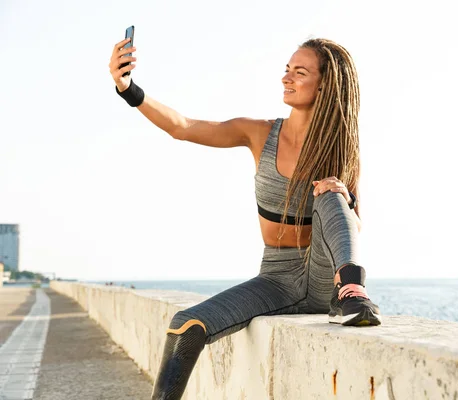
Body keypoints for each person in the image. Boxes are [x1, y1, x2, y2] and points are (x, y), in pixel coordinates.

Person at [108, 36, 382, 400]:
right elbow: (184, 127)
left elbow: (354, 224)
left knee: (332, 194)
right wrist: (127, 88)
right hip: (276, 278)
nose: (287, 78)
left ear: (325, 83)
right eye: (287, 70)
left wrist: (343, 194)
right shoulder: (259, 133)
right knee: (184, 326)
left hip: (322, 276)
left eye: (299, 72)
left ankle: (353, 292)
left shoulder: (341, 145)